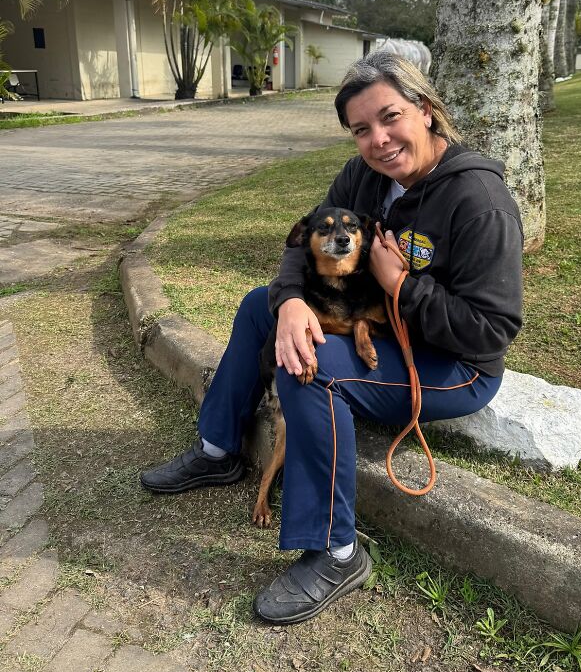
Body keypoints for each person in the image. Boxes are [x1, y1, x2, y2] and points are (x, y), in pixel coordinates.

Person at [140, 52, 524, 625]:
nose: (379, 140)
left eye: (390, 117)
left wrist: (401, 286)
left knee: (311, 367)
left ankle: (337, 552)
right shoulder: (363, 177)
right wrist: (292, 299)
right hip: (377, 328)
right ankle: (218, 450)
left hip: (452, 365)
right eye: (361, 129)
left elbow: (490, 329)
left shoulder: (478, 202)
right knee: (260, 306)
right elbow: (303, 242)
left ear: (425, 109)